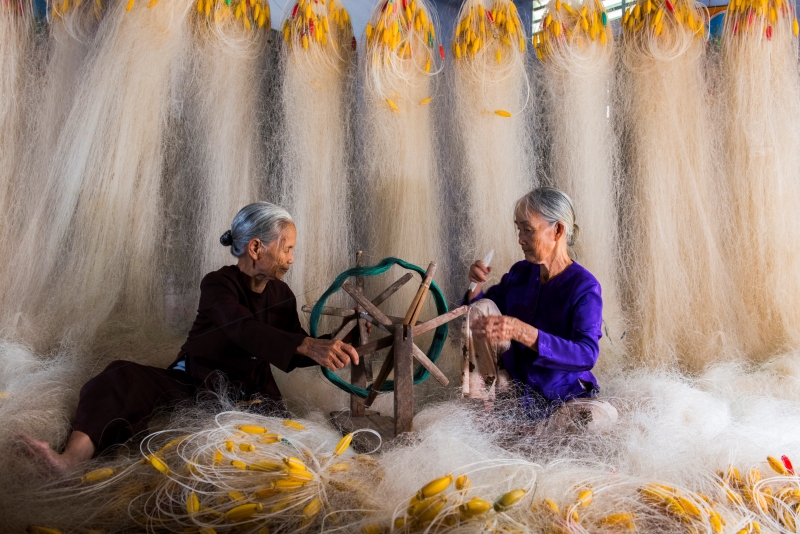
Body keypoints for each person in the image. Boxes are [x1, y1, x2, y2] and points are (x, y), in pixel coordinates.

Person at [22, 202, 359, 471]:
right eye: (286, 249)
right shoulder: (217, 285)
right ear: (256, 247)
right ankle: (68, 461)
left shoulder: (282, 294)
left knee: (283, 448)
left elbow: (295, 350)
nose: (291, 258)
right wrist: (305, 344)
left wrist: (346, 336)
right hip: (196, 384)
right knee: (118, 377)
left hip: (254, 398)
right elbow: (240, 328)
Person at [464, 187, 617, 430]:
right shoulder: (520, 273)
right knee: (482, 308)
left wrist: (523, 332)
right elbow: (480, 317)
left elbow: (587, 354)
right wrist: (476, 286)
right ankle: (484, 407)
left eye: (528, 230)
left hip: (561, 396)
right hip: (514, 391)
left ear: (557, 230)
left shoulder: (584, 287)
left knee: (593, 421)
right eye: (518, 229)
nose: (520, 238)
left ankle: (533, 426)